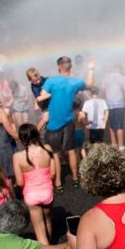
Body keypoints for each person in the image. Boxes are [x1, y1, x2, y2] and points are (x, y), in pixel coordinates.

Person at [37, 56, 94, 191]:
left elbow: (41, 96)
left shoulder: (51, 81)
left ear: (59, 67)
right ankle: (75, 179)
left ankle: (58, 183)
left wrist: (46, 96)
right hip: (68, 122)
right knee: (71, 151)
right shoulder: (75, 82)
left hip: (53, 124)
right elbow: (90, 85)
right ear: (70, 67)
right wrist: (91, 70)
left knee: (55, 154)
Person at [13, 123, 57, 249]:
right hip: (47, 191)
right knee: (48, 221)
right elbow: (52, 173)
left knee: (39, 231)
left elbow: (19, 182)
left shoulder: (18, 157)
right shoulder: (47, 149)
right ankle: (51, 247)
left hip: (31, 194)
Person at [100, 65, 125, 150]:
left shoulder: (106, 77)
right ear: (119, 69)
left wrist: (101, 102)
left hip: (108, 104)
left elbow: (102, 91)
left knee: (111, 124)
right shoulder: (122, 77)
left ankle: (114, 143)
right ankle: (120, 146)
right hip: (119, 104)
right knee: (119, 125)